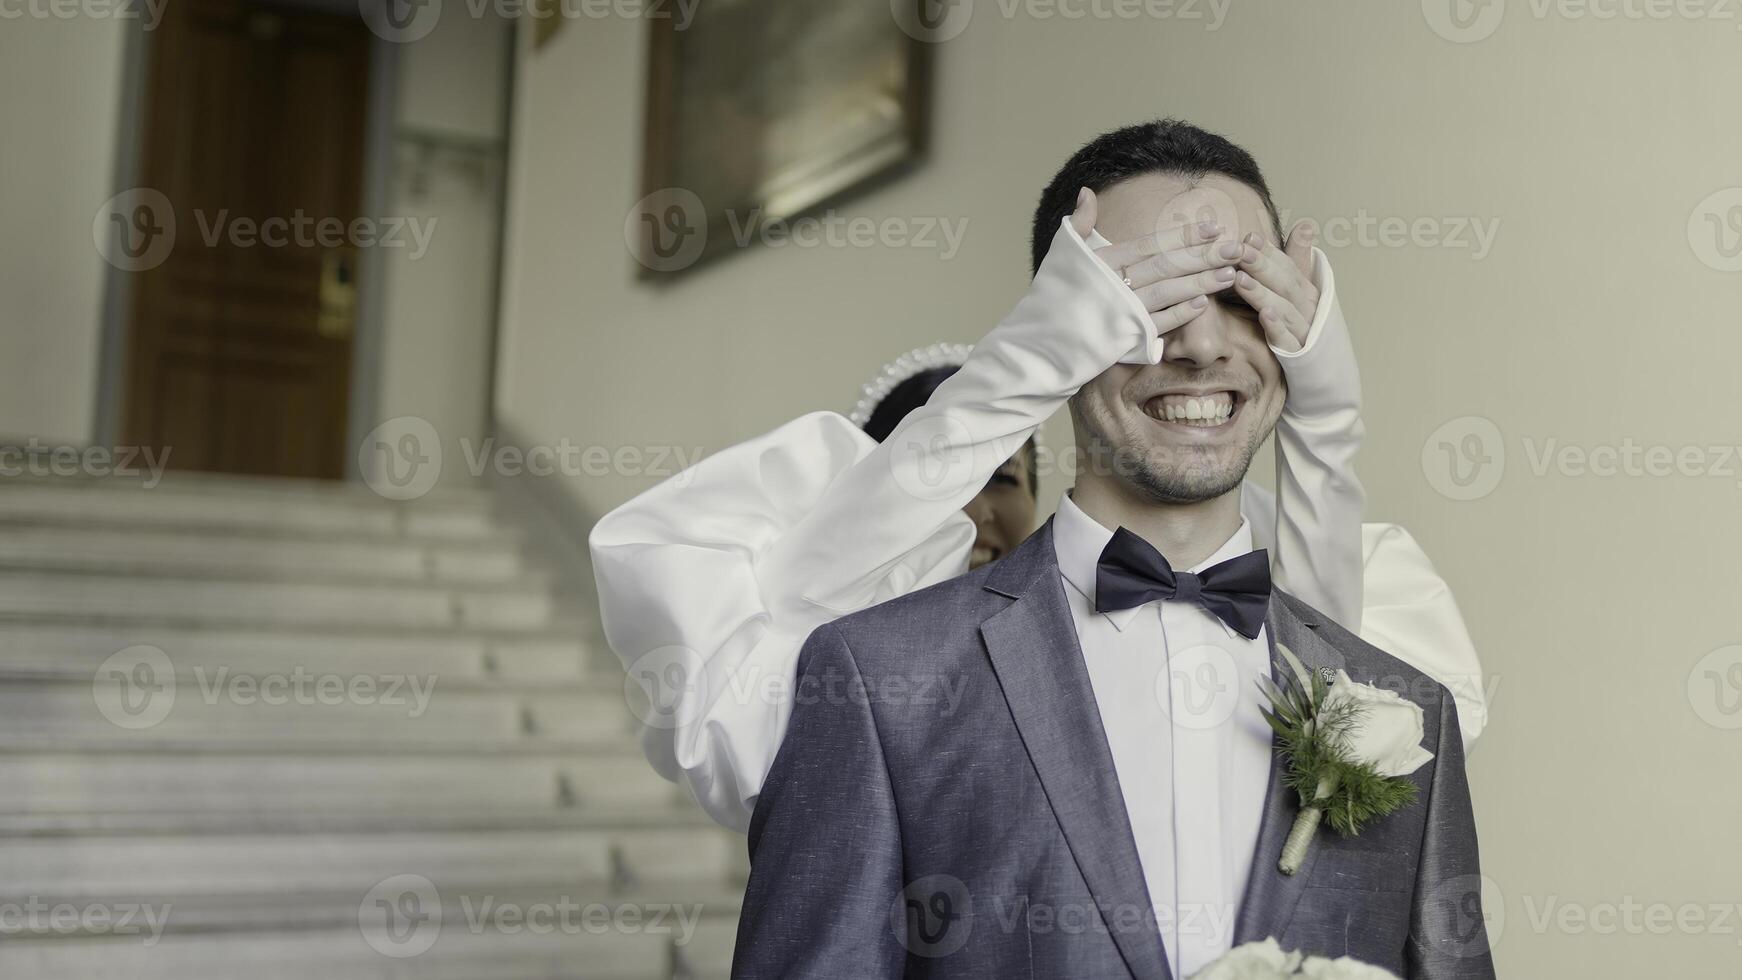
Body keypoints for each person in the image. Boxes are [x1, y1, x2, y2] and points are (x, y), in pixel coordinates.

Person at [729, 120, 1495, 980]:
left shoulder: (1404, 710)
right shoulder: (878, 681)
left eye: (1242, 294)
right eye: (1151, 298)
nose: (1202, 345)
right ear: (1065, 326)